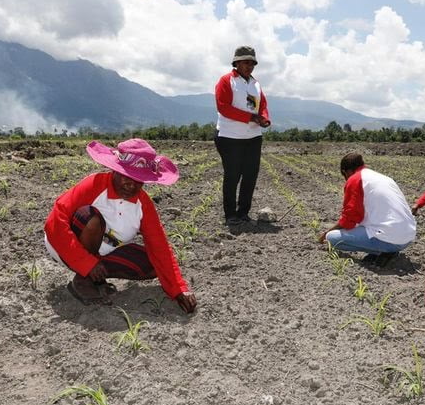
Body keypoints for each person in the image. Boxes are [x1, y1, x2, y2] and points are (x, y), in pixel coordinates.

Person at [44, 138, 197, 314]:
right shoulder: (94, 185)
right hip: (65, 246)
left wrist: (178, 289)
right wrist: (85, 262)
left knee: (153, 265)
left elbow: (159, 246)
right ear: (115, 170)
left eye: (138, 181)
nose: (131, 185)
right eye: (126, 177)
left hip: (105, 253)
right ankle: (84, 279)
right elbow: (55, 221)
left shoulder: (143, 204)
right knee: (90, 217)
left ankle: (96, 277)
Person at [318, 153, 417, 267]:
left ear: (347, 171)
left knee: (332, 238)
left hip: (390, 239)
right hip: (407, 237)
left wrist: (327, 233)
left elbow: (350, 218)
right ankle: (384, 250)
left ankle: (382, 251)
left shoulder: (355, 179)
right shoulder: (383, 178)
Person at [214, 45, 271, 225]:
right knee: (232, 175)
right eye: (246, 62)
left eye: (252, 63)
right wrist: (250, 117)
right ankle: (230, 214)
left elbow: (262, 105)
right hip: (230, 136)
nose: (250, 66)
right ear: (237, 62)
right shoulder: (226, 81)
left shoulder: (255, 84)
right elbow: (223, 106)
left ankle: (243, 213)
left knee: (250, 175)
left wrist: (263, 118)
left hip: (253, 137)